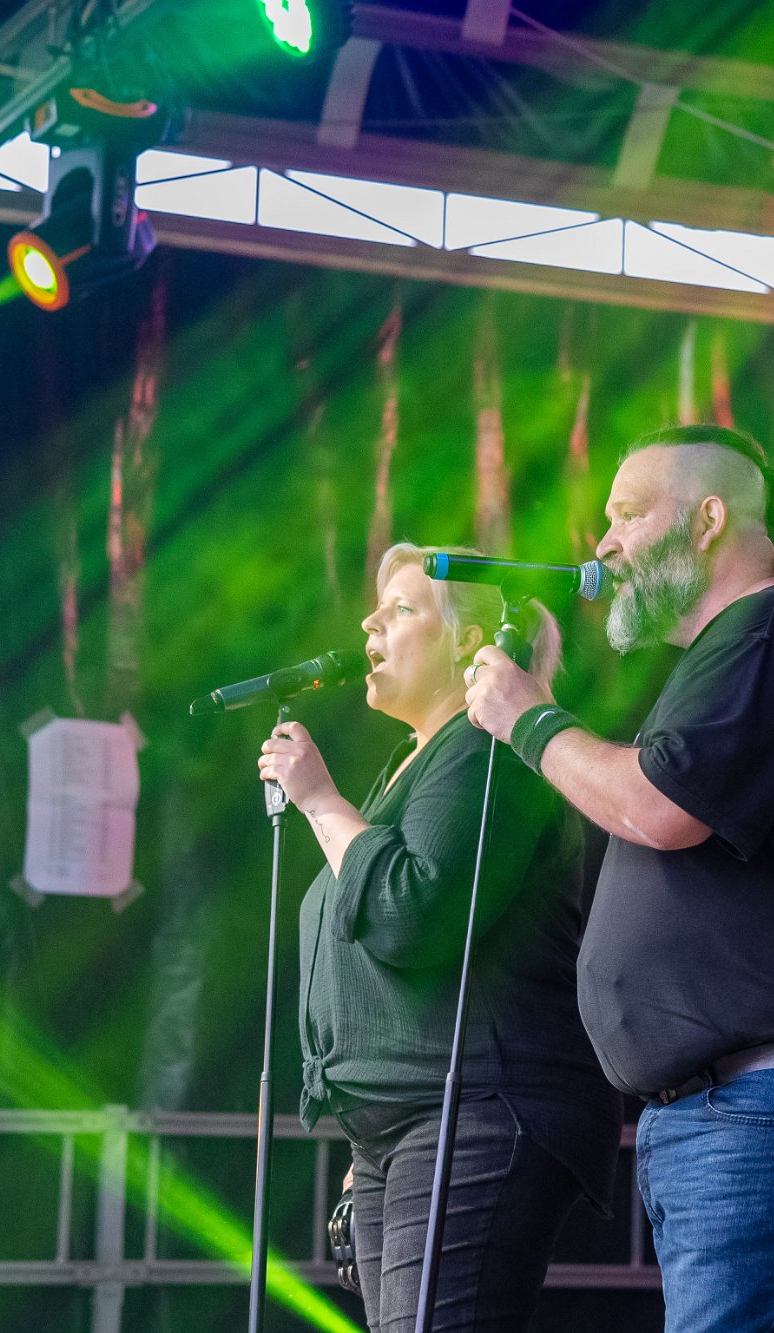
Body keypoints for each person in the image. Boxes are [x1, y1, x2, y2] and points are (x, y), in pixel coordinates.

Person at [463, 423, 774, 1333]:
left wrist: (529, 719)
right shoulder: (755, 646)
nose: (604, 543)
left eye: (628, 514)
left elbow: (660, 807)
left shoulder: (769, 630)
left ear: (708, 519)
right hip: (762, 1101)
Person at [258, 545, 620, 1333]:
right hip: (405, 1121)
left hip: (479, 1105)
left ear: (468, 639)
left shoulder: (485, 749)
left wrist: (319, 800)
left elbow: (408, 912)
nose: (369, 623)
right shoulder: (412, 764)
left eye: (400, 609)